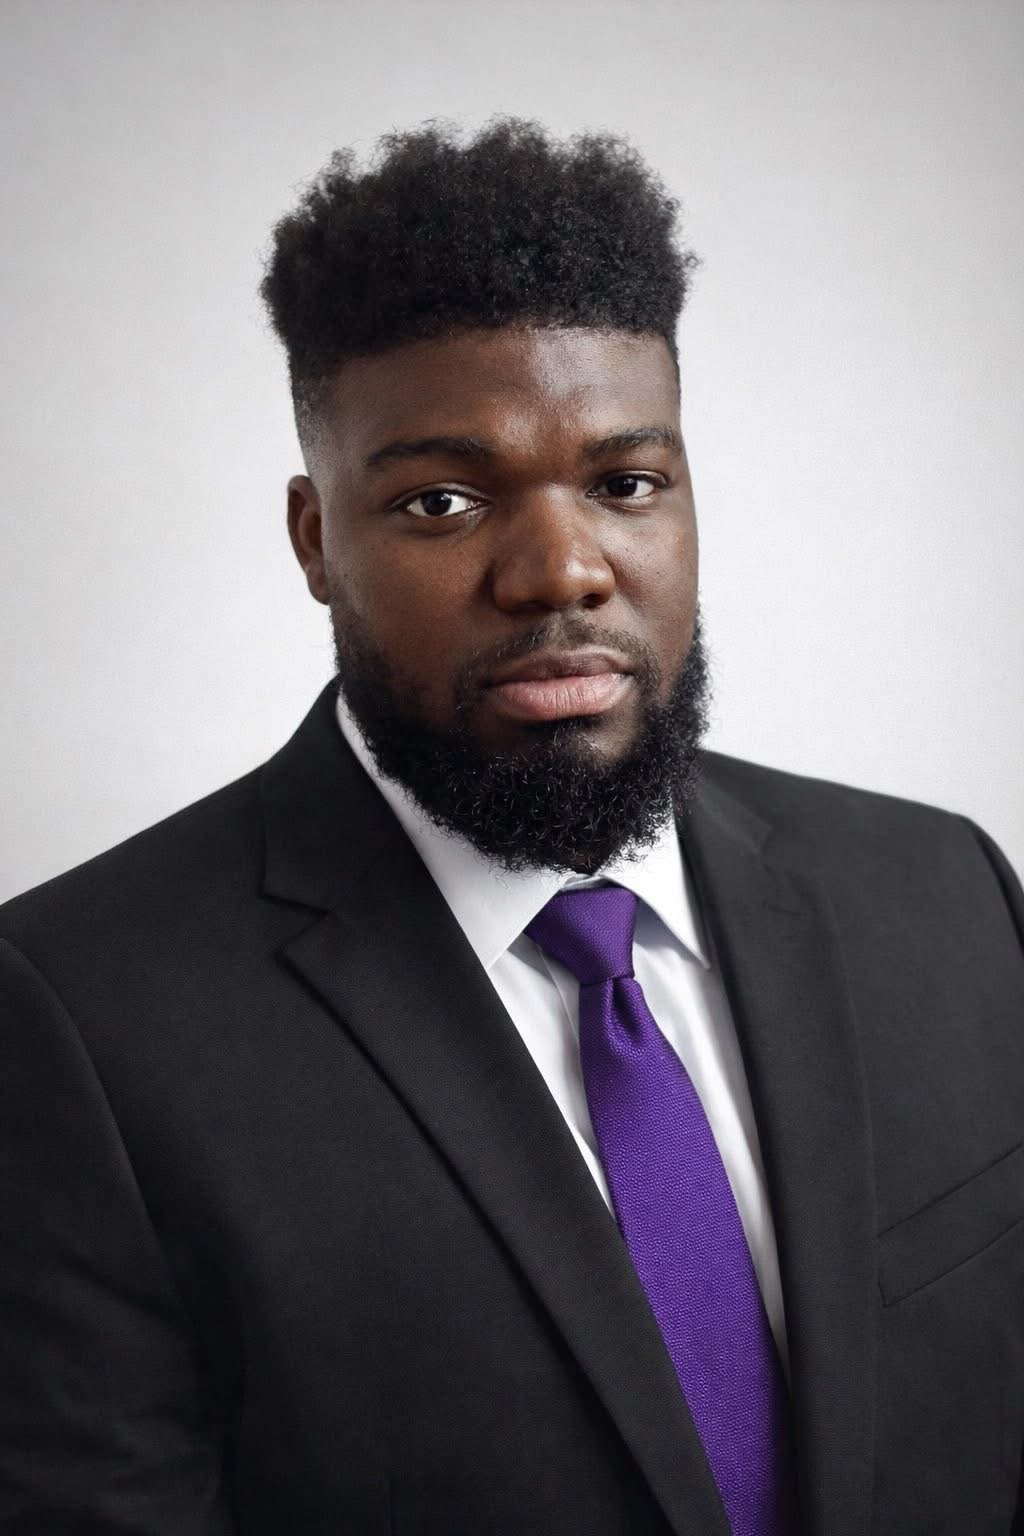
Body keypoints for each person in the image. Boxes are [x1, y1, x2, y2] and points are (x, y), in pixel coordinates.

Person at [1, 118, 1022, 1536]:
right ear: (315, 540)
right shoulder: (76, 1021)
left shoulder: (946, 894)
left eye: (625, 483)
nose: (561, 571)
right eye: (443, 499)